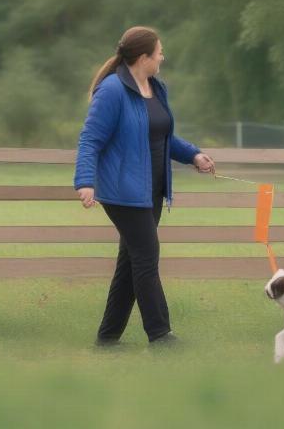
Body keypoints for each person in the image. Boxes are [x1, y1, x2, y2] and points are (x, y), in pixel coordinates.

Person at [74, 26, 215, 346]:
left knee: (131, 262)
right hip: (123, 192)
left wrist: (193, 154)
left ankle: (107, 338)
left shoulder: (155, 87)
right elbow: (90, 140)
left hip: (150, 191)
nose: (162, 56)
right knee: (147, 256)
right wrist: (84, 181)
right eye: (159, 52)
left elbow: (162, 135)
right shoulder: (112, 90)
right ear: (143, 57)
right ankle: (160, 334)